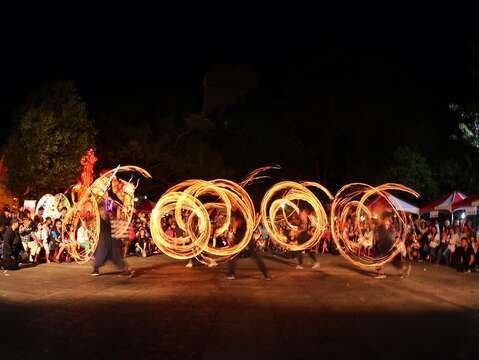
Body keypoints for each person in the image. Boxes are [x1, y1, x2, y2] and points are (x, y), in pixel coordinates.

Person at [91, 207, 134, 277]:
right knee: (100, 257)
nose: (103, 212)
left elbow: (120, 228)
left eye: (104, 211)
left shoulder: (111, 220)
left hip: (110, 243)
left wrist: (124, 238)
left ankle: (128, 270)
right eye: (101, 211)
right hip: (104, 242)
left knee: (116, 258)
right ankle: (95, 269)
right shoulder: (99, 221)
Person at [227, 213, 271, 280]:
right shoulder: (239, 215)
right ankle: (231, 273)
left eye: (236, 220)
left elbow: (253, 226)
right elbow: (234, 226)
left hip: (248, 240)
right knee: (233, 257)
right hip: (239, 241)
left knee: (256, 256)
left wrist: (258, 219)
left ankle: (266, 274)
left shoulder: (246, 221)